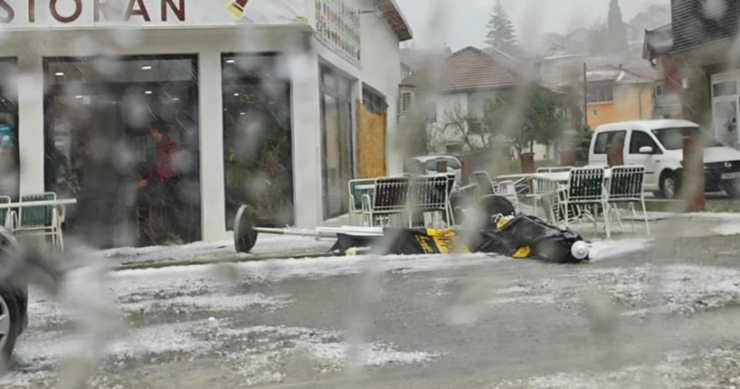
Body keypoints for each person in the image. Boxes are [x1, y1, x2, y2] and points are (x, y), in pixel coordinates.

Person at [140, 122, 182, 243]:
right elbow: (157, 167)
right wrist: (147, 180)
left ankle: (175, 235)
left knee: (171, 209)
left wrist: (166, 177)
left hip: (170, 182)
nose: (151, 136)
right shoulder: (161, 146)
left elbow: (172, 165)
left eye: (152, 133)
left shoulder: (168, 145)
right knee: (167, 210)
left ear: (156, 132)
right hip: (166, 182)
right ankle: (170, 234)